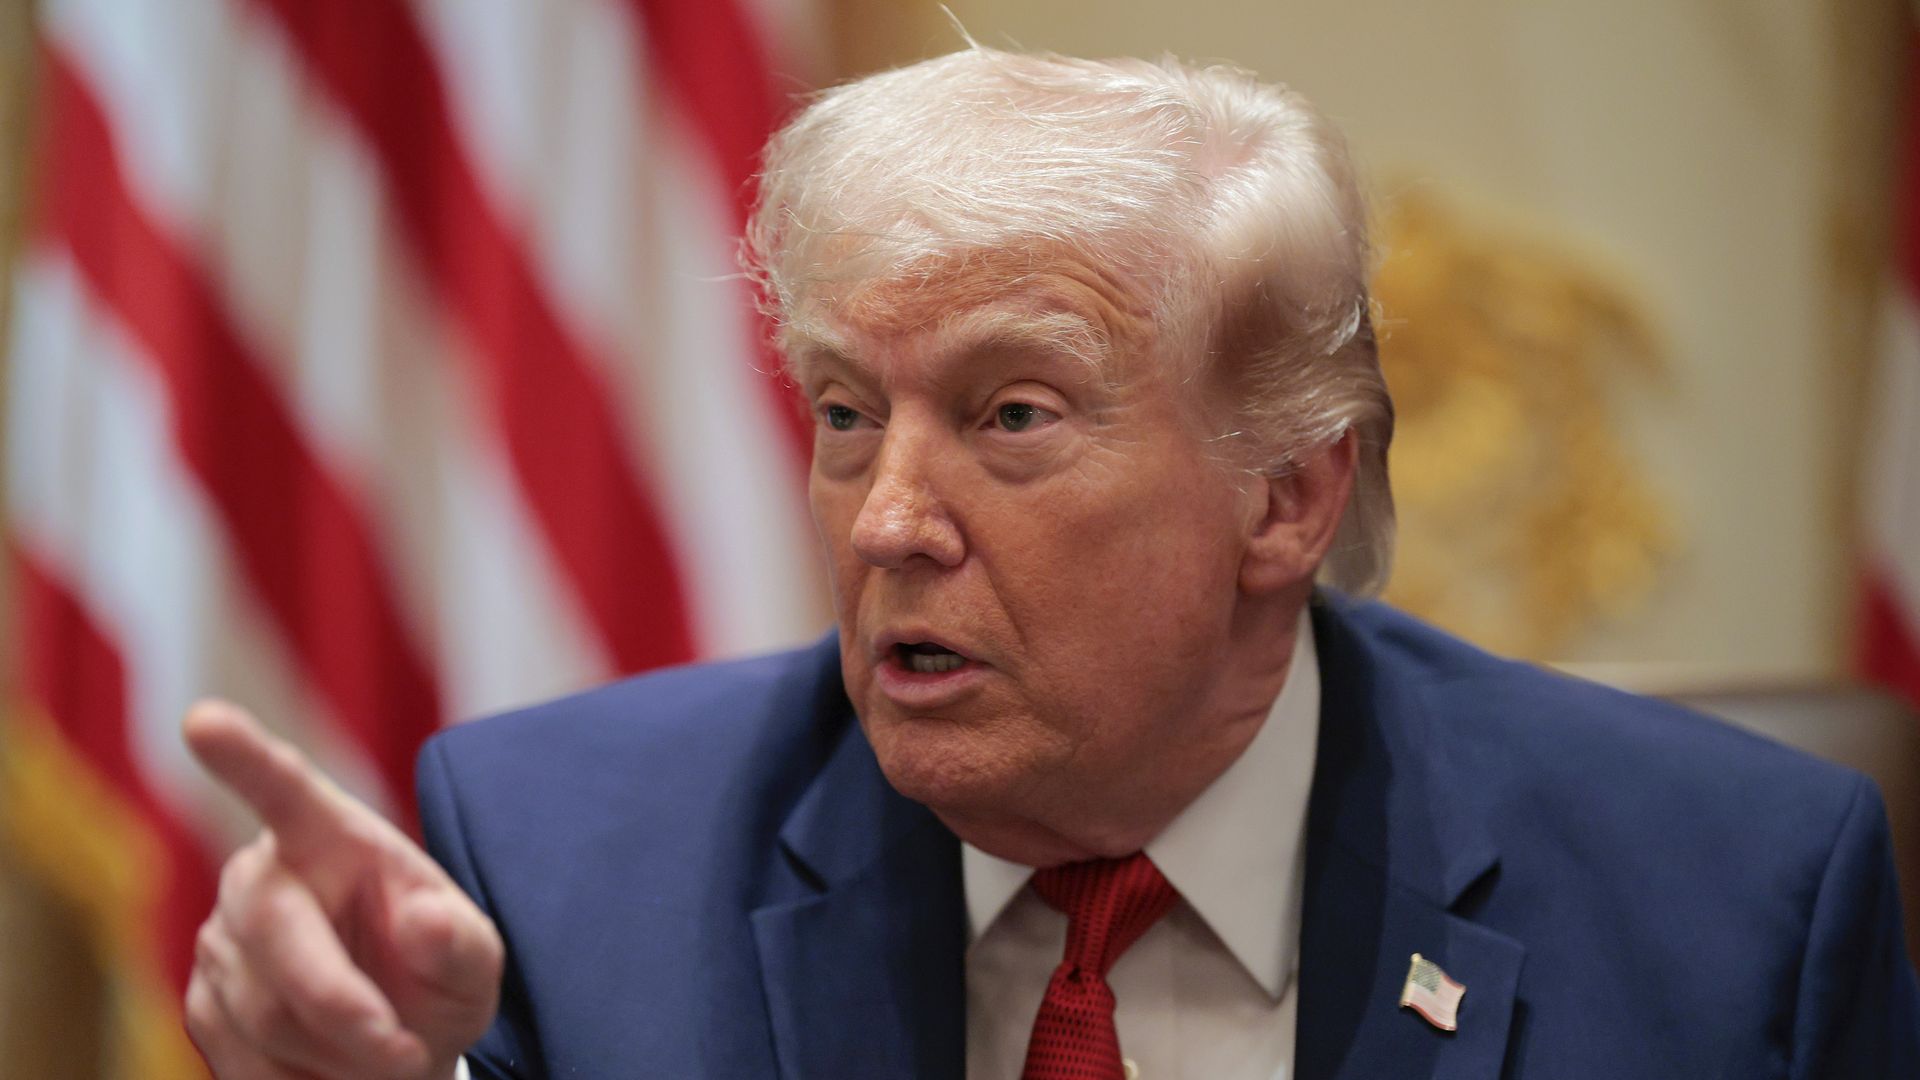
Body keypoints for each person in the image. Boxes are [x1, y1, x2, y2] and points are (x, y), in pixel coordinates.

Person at [181, 47, 1920, 1080]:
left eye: (1010, 415)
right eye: (845, 413)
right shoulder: (558, 869)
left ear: (1286, 498)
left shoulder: (1736, 908)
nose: (886, 520)